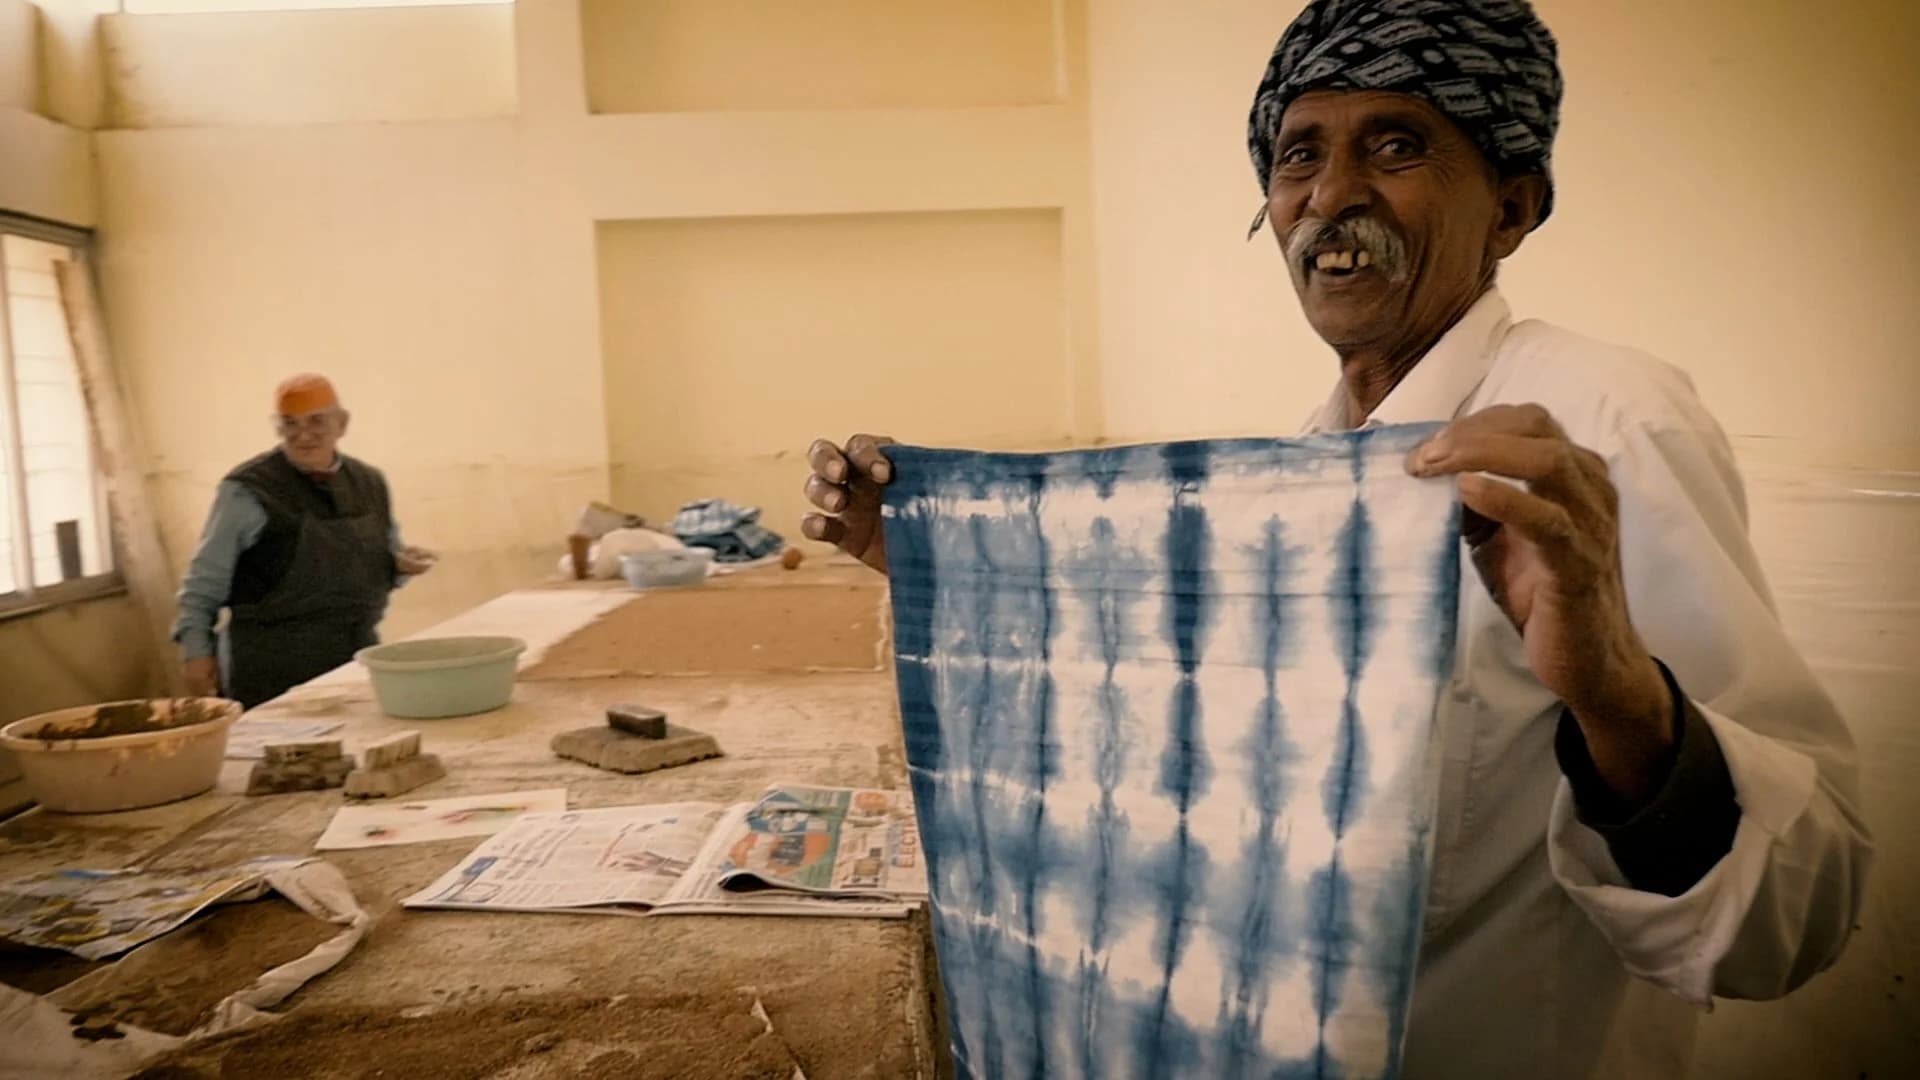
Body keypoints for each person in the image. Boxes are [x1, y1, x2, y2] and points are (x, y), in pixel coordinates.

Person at [800, 1, 1871, 1075]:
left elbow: (1792, 919)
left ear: (1510, 207)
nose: (1331, 194)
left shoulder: (1600, 424)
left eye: (1396, 146)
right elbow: (1161, 736)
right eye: (1299, 155)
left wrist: (1614, 688)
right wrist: (945, 569)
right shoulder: (1310, 468)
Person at [174, 374, 436, 708]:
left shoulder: (370, 483)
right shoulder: (247, 491)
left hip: (354, 656)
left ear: (342, 423)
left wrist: (400, 566)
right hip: (271, 665)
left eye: (316, 421)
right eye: (290, 424)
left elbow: (385, 559)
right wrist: (196, 652)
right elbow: (204, 581)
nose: (303, 435)